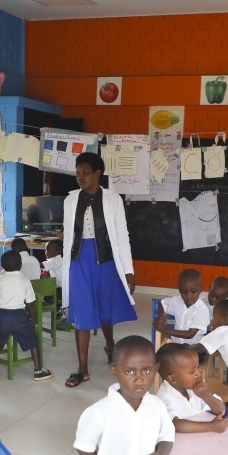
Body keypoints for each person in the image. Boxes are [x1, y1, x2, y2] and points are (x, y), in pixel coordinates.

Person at [61, 152, 138, 388]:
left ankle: (110, 345)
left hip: (105, 260)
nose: (81, 177)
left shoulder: (113, 200)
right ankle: (82, 370)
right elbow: (68, 238)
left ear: (97, 174)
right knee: (82, 313)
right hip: (79, 261)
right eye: (78, 174)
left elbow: (122, 237)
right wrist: (65, 269)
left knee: (105, 310)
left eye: (85, 173)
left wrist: (128, 271)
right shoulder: (71, 200)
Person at [0, 250, 53, 381]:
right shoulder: (24, 280)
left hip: (1, 317)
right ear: (20, 265)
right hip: (19, 317)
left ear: (2, 265)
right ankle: (38, 370)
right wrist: (33, 320)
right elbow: (30, 303)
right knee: (33, 342)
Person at [155, 342, 228, 433]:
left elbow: (220, 410)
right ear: (172, 379)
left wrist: (206, 396)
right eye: (192, 371)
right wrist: (211, 426)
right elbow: (176, 425)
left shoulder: (194, 389)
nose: (198, 373)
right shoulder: (164, 397)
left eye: (198, 368)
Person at [154, 269, 211, 344]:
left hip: (193, 349)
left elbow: (190, 334)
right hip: (176, 344)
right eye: (184, 292)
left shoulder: (202, 310)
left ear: (201, 289)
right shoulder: (176, 301)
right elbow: (162, 303)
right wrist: (160, 315)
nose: (188, 296)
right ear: (179, 289)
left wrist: (165, 330)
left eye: (193, 291)